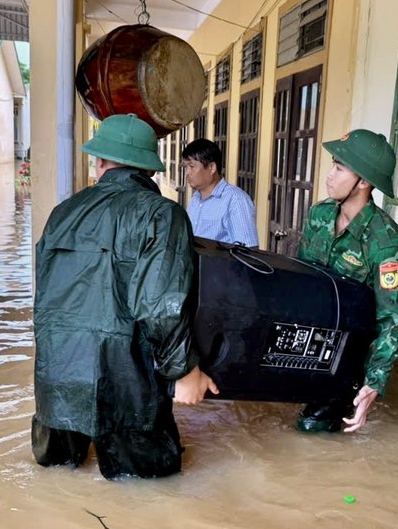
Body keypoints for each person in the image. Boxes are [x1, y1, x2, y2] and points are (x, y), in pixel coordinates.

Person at [31, 114, 218, 480]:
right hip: (126, 385)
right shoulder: (162, 215)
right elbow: (162, 304)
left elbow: (44, 297)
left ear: (100, 162)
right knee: (144, 488)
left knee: (54, 479)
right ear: (149, 170)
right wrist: (184, 370)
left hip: (57, 379)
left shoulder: (62, 214)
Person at [295, 129, 398, 434]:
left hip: (349, 356)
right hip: (312, 347)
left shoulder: (385, 241)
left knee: (310, 430)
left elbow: (393, 319)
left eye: (339, 168)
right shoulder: (319, 215)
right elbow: (301, 279)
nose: (329, 176)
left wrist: (374, 383)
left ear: (363, 181)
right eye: (332, 165)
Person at [183, 138, 259, 248]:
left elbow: (248, 252)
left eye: (191, 166)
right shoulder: (195, 198)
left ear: (212, 168)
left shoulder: (235, 201)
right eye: (185, 167)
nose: (187, 172)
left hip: (219, 265)